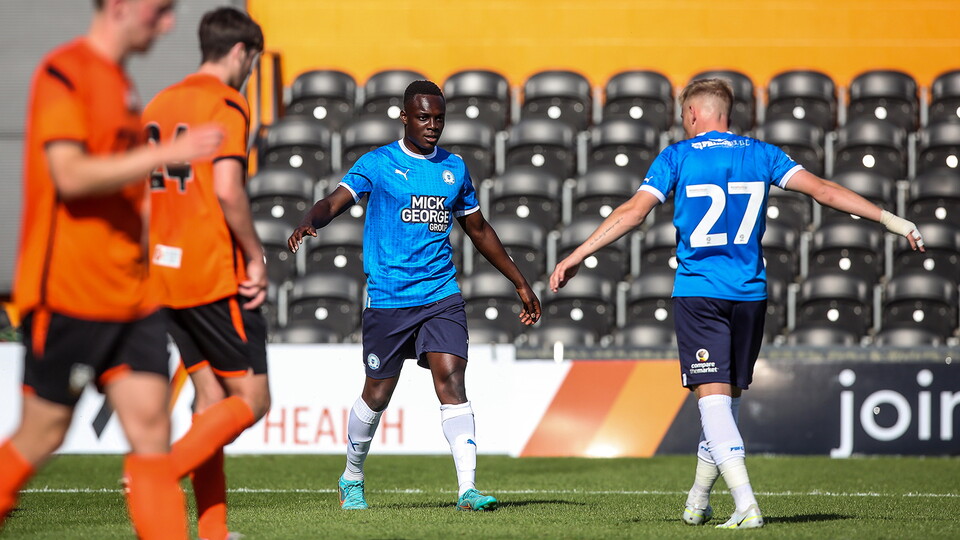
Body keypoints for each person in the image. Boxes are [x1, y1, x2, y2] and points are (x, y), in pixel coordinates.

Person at [549, 78, 925, 529]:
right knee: (726, 401)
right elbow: (824, 190)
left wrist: (577, 254)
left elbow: (633, 211)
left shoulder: (677, 156)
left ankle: (746, 504)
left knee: (712, 402)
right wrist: (892, 220)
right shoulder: (762, 154)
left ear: (692, 114)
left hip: (700, 292)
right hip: (750, 293)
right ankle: (698, 500)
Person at [0, 1, 223, 538]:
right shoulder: (65, 72)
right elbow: (70, 175)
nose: (168, 24)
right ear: (121, 7)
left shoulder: (122, 87)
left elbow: (125, 193)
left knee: (152, 431)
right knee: (44, 432)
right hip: (73, 291)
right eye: (160, 11)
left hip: (133, 296)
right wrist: (165, 155)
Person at [288, 80, 541, 512]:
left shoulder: (454, 168)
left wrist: (519, 281)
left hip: (440, 293)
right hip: (389, 299)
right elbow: (335, 200)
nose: (432, 126)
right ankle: (352, 475)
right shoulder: (378, 163)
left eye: (438, 118)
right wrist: (311, 220)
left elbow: (477, 229)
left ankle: (467, 489)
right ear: (403, 117)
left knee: (452, 379)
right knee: (377, 395)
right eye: (423, 117)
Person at [142, 7, 267, 540]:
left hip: (161, 271)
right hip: (211, 271)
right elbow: (226, 188)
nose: (251, 74)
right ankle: (158, 474)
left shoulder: (160, 102)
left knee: (210, 401)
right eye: (254, 63)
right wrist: (256, 256)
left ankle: (212, 532)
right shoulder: (226, 103)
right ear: (240, 52)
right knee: (252, 401)